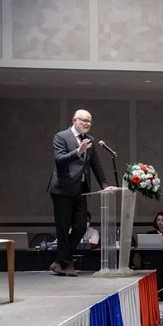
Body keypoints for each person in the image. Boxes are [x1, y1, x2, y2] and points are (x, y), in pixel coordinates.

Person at [48, 109, 112, 277]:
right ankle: (67, 264)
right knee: (63, 228)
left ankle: (59, 261)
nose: (87, 123)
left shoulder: (90, 139)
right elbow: (59, 160)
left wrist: (104, 184)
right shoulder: (61, 137)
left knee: (81, 226)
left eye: (90, 121)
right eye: (84, 120)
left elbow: (95, 163)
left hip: (80, 190)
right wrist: (78, 151)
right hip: (62, 189)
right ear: (74, 120)